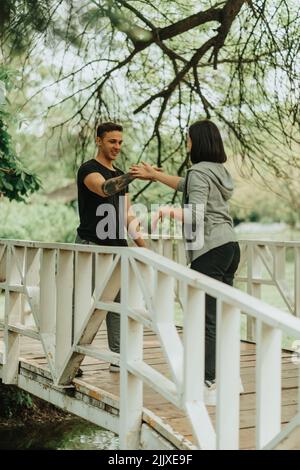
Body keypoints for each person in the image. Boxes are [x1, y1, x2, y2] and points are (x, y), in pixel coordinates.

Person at [130, 120, 241, 405]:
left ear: (197, 142)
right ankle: (225, 376)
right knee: (220, 316)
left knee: (206, 318)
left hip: (210, 250)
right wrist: (155, 176)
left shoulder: (199, 172)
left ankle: (208, 382)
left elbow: (196, 215)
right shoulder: (218, 171)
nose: (187, 144)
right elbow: (187, 184)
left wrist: (167, 210)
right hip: (229, 246)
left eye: (189, 140)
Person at [76, 121, 146, 374]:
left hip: (119, 249)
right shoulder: (88, 169)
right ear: (99, 141)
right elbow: (104, 189)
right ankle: (72, 358)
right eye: (112, 141)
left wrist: (144, 248)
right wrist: (131, 175)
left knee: (119, 305)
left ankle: (118, 358)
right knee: (87, 304)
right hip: (91, 246)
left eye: (120, 142)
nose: (117, 146)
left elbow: (127, 216)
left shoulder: (120, 177)